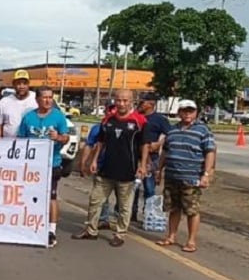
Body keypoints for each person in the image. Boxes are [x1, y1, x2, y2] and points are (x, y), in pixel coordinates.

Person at [72, 89, 146, 247]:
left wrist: (143, 165)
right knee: (95, 200)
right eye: (119, 100)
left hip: (127, 171)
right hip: (106, 169)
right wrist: (94, 160)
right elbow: (100, 142)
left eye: (125, 100)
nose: (122, 103)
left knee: (124, 206)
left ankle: (120, 234)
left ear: (132, 101)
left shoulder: (139, 121)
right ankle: (91, 230)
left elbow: (144, 146)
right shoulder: (107, 120)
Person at [155, 100, 216, 253]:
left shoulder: (203, 130)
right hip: (172, 176)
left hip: (192, 178)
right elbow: (165, 152)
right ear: (179, 112)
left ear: (196, 113)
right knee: (173, 208)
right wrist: (159, 170)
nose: (187, 114)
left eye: (191, 111)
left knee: (192, 210)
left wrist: (206, 174)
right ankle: (171, 236)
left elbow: (210, 152)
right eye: (184, 110)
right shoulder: (172, 131)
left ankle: (191, 241)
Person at [18, 86, 70, 247]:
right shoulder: (28, 117)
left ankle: (51, 230)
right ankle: (28, 224)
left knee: (51, 196)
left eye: (50, 97)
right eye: (44, 97)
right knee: (28, 195)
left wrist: (58, 137)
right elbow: (20, 140)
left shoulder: (58, 116)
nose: (48, 100)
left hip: (51, 163)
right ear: (37, 99)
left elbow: (66, 137)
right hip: (32, 165)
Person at [134, 92, 171, 223]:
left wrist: (158, 143)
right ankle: (131, 214)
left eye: (142, 102)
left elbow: (170, 134)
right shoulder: (135, 117)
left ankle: (148, 214)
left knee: (149, 188)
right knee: (133, 188)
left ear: (151, 104)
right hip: (134, 157)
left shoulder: (159, 119)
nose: (140, 104)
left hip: (151, 158)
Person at [0, 69, 36, 138]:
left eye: (24, 83)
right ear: (13, 84)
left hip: (31, 144)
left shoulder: (37, 99)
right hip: (9, 145)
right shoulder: (4, 101)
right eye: (18, 83)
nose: (21, 86)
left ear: (28, 84)